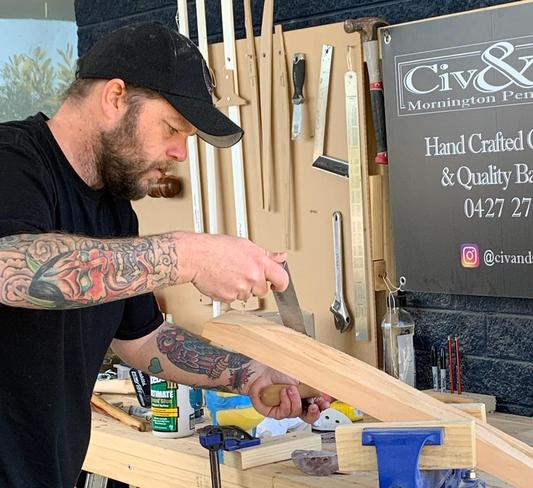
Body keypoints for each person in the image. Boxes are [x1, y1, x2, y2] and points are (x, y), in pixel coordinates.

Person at [0, 22, 328, 487]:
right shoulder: (12, 161)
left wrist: (249, 374)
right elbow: (17, 271)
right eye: (172, 128)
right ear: (115, 98)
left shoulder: (115, 214)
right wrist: (191, 254)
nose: (179, 152)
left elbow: (145, 341)